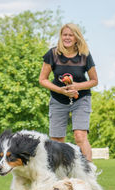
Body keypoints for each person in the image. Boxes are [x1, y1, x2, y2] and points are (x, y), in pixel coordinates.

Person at [39, 23, 98, 161]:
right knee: (57, 140)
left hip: (81, 99)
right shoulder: (52, 54)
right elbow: (42, 79)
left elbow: (94, 81)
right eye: (64, 35)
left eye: (70, 35)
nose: (67, 37)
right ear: (61, 36)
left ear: (76, 37)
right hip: (58, 100)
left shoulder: (85, 55)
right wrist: (60, 90)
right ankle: (60, 177)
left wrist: (77, 86)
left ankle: (88, 174)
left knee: (80, 136)